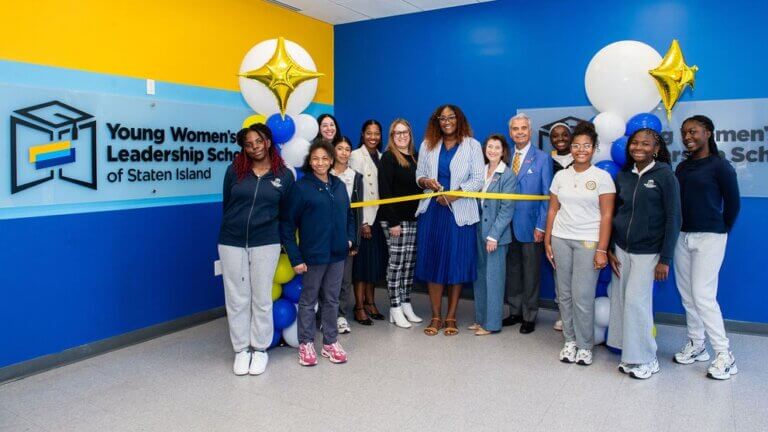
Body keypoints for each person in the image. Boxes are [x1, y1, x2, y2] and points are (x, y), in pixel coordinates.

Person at [218, 123, 294, 376]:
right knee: (237, 298)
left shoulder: (283, 175)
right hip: (231, 241)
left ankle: (260, 349)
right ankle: (242, 349)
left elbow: (287, 214)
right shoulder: (235, 171)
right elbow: (227, 204)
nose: (254, 148)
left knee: (261, 297)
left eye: (258, 142)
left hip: (267, 241)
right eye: (249, 144)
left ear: (268, 142)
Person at [607, 128, 681, 379]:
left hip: (648, 252)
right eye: (635, 143)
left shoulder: (665, 176)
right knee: (621, 301)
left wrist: (665, 259)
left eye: (646, 144)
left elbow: (674, 218)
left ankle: (647, 359)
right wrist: (609, 248)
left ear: (656, 149)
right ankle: (629, 353)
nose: (639, 147)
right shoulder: (624, 175)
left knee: (637, 304)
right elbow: (617, 212)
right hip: (621, 250)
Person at [673, 115, 741, 380]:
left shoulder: (720, 166)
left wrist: (719, 229)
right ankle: (697, 344)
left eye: (694, 132)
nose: (688, 137)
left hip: (710, 237)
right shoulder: (683, 167)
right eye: (684, 133)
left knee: (703, 294)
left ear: (708, 133)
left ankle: (725, 355)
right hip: (682, 236)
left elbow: (733, 205)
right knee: (688, 294)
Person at [544, 121, 615, 366]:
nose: (580, 150)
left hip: (588, 241)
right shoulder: (561, 176)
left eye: (586, 146)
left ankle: (585, 346)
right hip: (560, 238)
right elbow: (553, 209)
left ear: (594, 148)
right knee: (563, 294)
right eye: (576, 145)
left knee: (582, 296)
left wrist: (602, 249)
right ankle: (570, 341)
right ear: (571, 148)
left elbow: (607, 216)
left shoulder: (602, 178)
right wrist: (547, 239)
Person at [280, 141, 356, 367]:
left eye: (325, 158)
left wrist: (349, 238)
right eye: (315, 159)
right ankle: (306, 343)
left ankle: (330, 342)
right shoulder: (301, 188)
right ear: (309, 161)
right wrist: (295, 257)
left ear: (332, 160)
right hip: (313, 256)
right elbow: (286, 225)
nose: (320, 162)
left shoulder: (338, 185)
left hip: (337, 255)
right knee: (308, 301)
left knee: (332, 300)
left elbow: (350, 215)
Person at [415, 104, 484, 336]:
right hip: (433, 211)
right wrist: (427, 183)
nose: (446, 121)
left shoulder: (472, 145)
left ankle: (451, 316)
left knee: (456, 263)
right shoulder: (427, 144)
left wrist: (454, 195)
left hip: (460, 213)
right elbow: (419, 176)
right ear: (437, 121)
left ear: (459, 119)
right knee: (434, 263)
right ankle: (435, 316)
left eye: (451, 117)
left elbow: (477, 179)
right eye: (442, 118)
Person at [503, 113, 553, 334]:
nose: (520, 132)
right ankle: (515, 311)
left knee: (531, 272)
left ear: (530, 132)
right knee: (512, 271)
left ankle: (530, 315)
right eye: (515, 129)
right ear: (510, 132)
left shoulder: (542, 158)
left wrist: (541, 226)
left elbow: (546, 196)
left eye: (524, 128)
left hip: (531, 226)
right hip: (506, 225)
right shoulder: (505, 157)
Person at [378, 119, 423, 328]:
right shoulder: (388, 157)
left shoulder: (415, 157)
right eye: (397, 133)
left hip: (412, 218)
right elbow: (385, 191)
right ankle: (394, 307)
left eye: (405, 132)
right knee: (396, 265)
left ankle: (406, 304)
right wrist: (393, 221)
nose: (402, 136)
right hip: (394, 220)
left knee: (408, 264)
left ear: (410, 134)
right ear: (392, 136)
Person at [470, 134, 517, 335]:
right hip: (478, 230)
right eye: (489, 146)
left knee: (494, 279)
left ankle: (492, 324)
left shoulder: (507, 175)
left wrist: (494, 236)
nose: (493, 150)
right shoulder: (481, 171)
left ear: (503, 151)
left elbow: (507, 210)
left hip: (495, 236)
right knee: (480, 277)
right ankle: (480, 319)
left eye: (497, 147)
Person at [349, 120, 388, 323]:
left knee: (373, 264)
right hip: (365, 219)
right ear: (363, 134)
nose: (373, 137)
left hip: (379, 218)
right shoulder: (356, 156)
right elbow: (356, 191)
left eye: (377, 133)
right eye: (369, 133)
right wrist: (362, 222)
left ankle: (371, 302)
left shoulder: (382, 157)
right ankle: (359, 306)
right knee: (362, 266)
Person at [330, 136, 363, 333]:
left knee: (344, 279)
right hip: (325, 235)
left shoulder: (356, 177)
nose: (343, 152)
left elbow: (357, 211)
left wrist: (355, 241)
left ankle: (340, 315)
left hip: (346, 235)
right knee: (325, 279)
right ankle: (326, 315)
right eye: (339, 148)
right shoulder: (326, 174)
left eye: (347, 148)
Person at [548, 122, 572, 332]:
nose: (560, 138)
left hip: (579, 224)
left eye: (565, 134)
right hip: (556, 224)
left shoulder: (582, 160)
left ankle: (579, 315)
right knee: (560, 272)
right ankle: (563, 314)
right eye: (555, 136)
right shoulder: (547, 162)